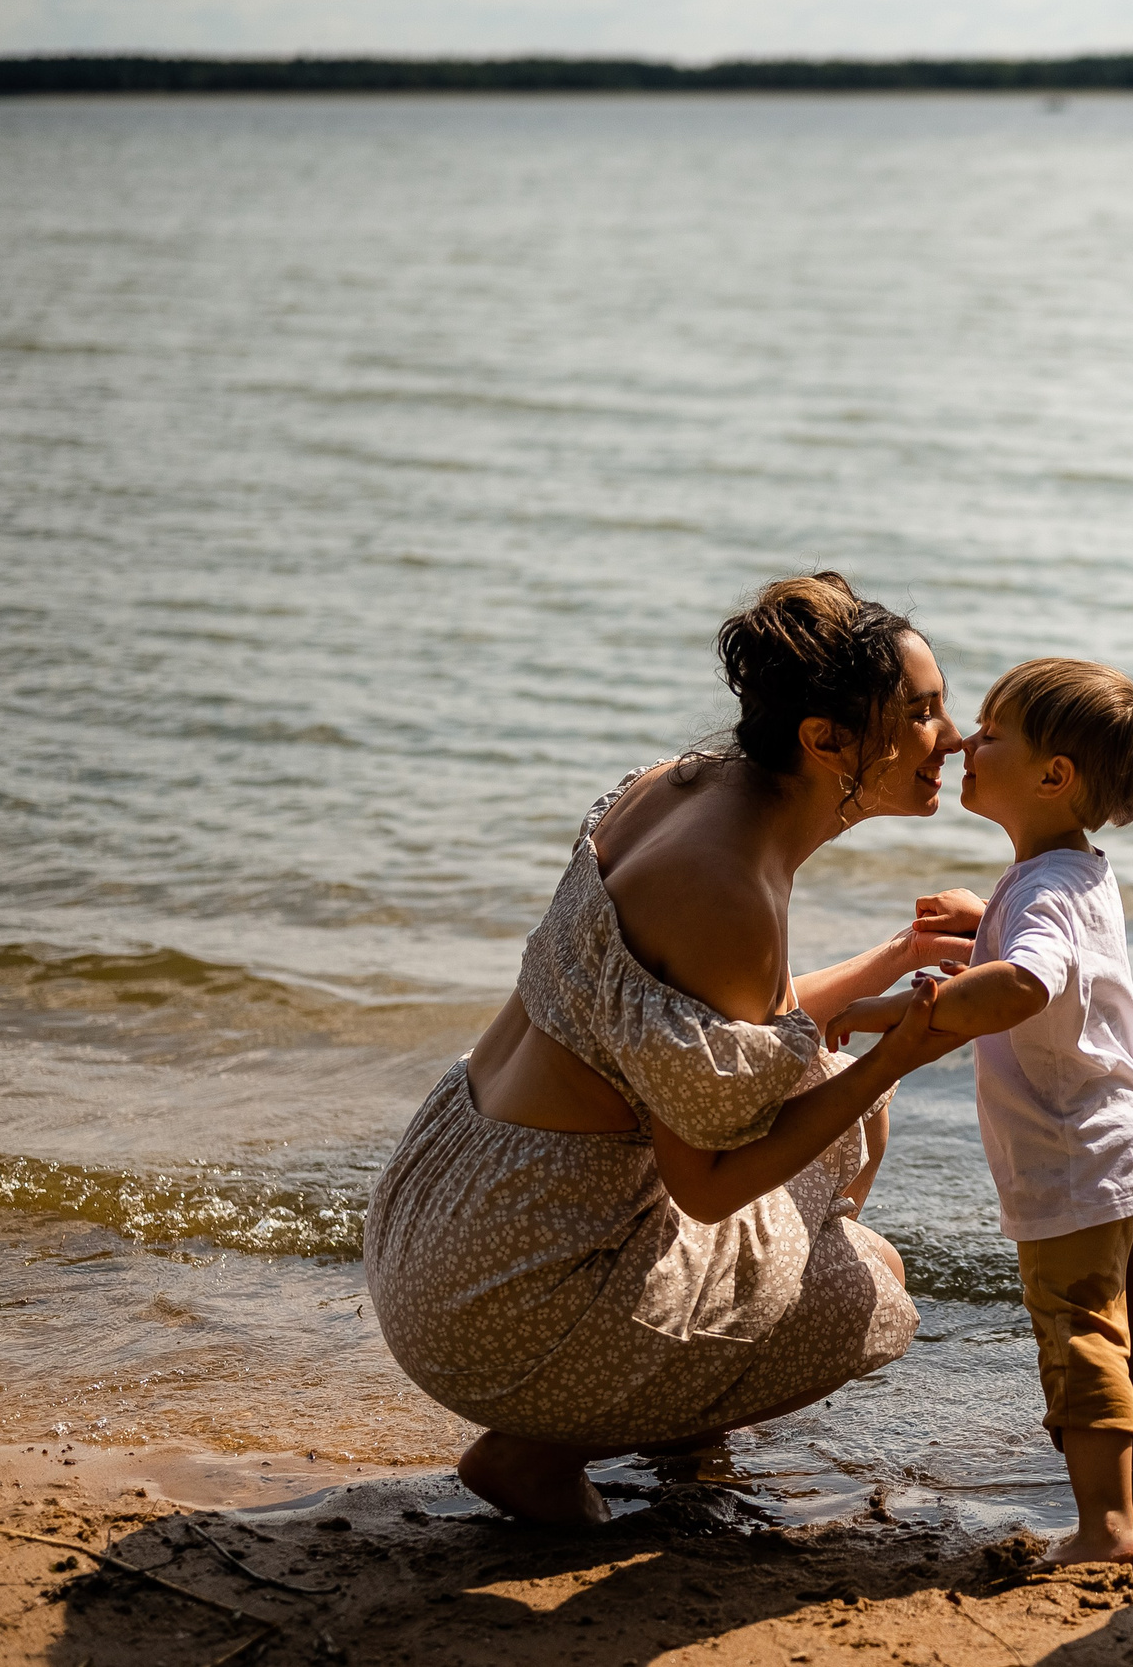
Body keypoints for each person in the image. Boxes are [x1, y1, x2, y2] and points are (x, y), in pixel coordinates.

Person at [363, 573, 975, 1526]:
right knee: (876, 1286)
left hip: (443, 1209)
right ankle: (536, 1452)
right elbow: (710, 1187)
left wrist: (889, 965)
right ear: (827, 741)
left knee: (813, 1084)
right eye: (924, 714)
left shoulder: (683, 786)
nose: (957, 737)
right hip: (506, 1296)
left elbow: (695, 1029)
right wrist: (901, 1054)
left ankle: (668, 1413)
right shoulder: (730, 891)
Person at [829, 659, 1133, 1566]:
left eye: (990, 732)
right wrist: (985, 919)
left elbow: (1027, 982)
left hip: (1070, 1154)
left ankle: (1106, 1526)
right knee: (1124, 1327)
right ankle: (1129, 1491)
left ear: (1053, 776)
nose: (966, 744)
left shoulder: (1040, 897)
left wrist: (897, 1014)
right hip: (1127, 1147)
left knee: (1079, 1331)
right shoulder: (1073, 876)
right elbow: (1050, 957)